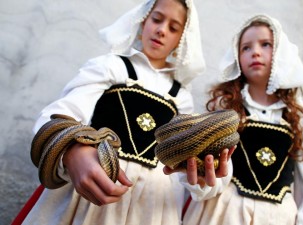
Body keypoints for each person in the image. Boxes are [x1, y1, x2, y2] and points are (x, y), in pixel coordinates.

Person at [13, 0, 229, 224]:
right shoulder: (110, 66)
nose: (161, 30)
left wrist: (201, 174)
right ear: (143, 20)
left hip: (150, 207)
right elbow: (57, 116)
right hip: (90, 191)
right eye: (156, 19)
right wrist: (72, 152)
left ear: (181, 39)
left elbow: (181, 164)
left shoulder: (181, 97)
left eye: (173, 28)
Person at [181, 14, 303, 225]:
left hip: (277, 217)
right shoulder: (225, 110)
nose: (255, 52)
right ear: (236, 57)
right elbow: (215, 172)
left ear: (281, 53)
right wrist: (204, 180)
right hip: (225, 212)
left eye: (265, 44)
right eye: (246, 48)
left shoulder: (301, 120)